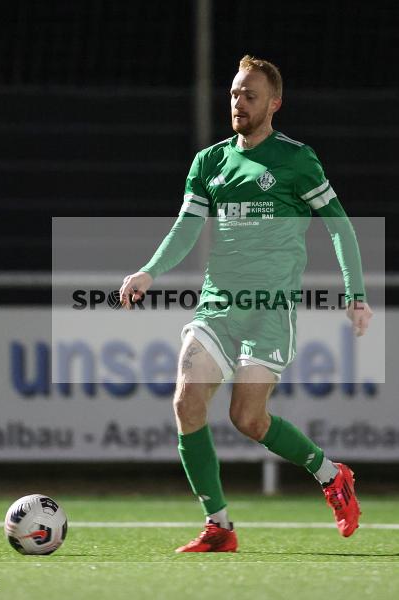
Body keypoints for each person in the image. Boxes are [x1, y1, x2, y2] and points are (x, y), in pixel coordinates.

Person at [119, 55, 373, 552]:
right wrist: (150, 271)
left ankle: (330, 473)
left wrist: (356, 294)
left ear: (274, 103)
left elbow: (340, 227)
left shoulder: (297, 160)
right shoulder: (209, 162)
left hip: (270, 310)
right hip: (218, 307)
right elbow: (186, 228)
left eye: (250, 95)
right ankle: (219, 526)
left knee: (248, 419)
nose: (238, 102)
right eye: (235, 93)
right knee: (186, 401)